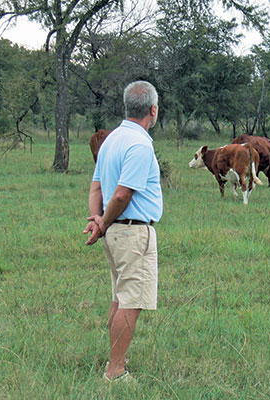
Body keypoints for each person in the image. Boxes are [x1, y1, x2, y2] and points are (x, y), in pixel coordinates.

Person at [83, 80, 163, 382]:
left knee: (120, 298)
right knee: (132, 301)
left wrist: (97, 218)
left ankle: (117, 358)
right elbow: (120, 195)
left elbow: (96, 186)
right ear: (152, 110)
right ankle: (115, 371)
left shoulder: (112, 140)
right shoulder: (140, 144)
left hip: (115, 232)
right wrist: (102, 221)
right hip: (131, 231)